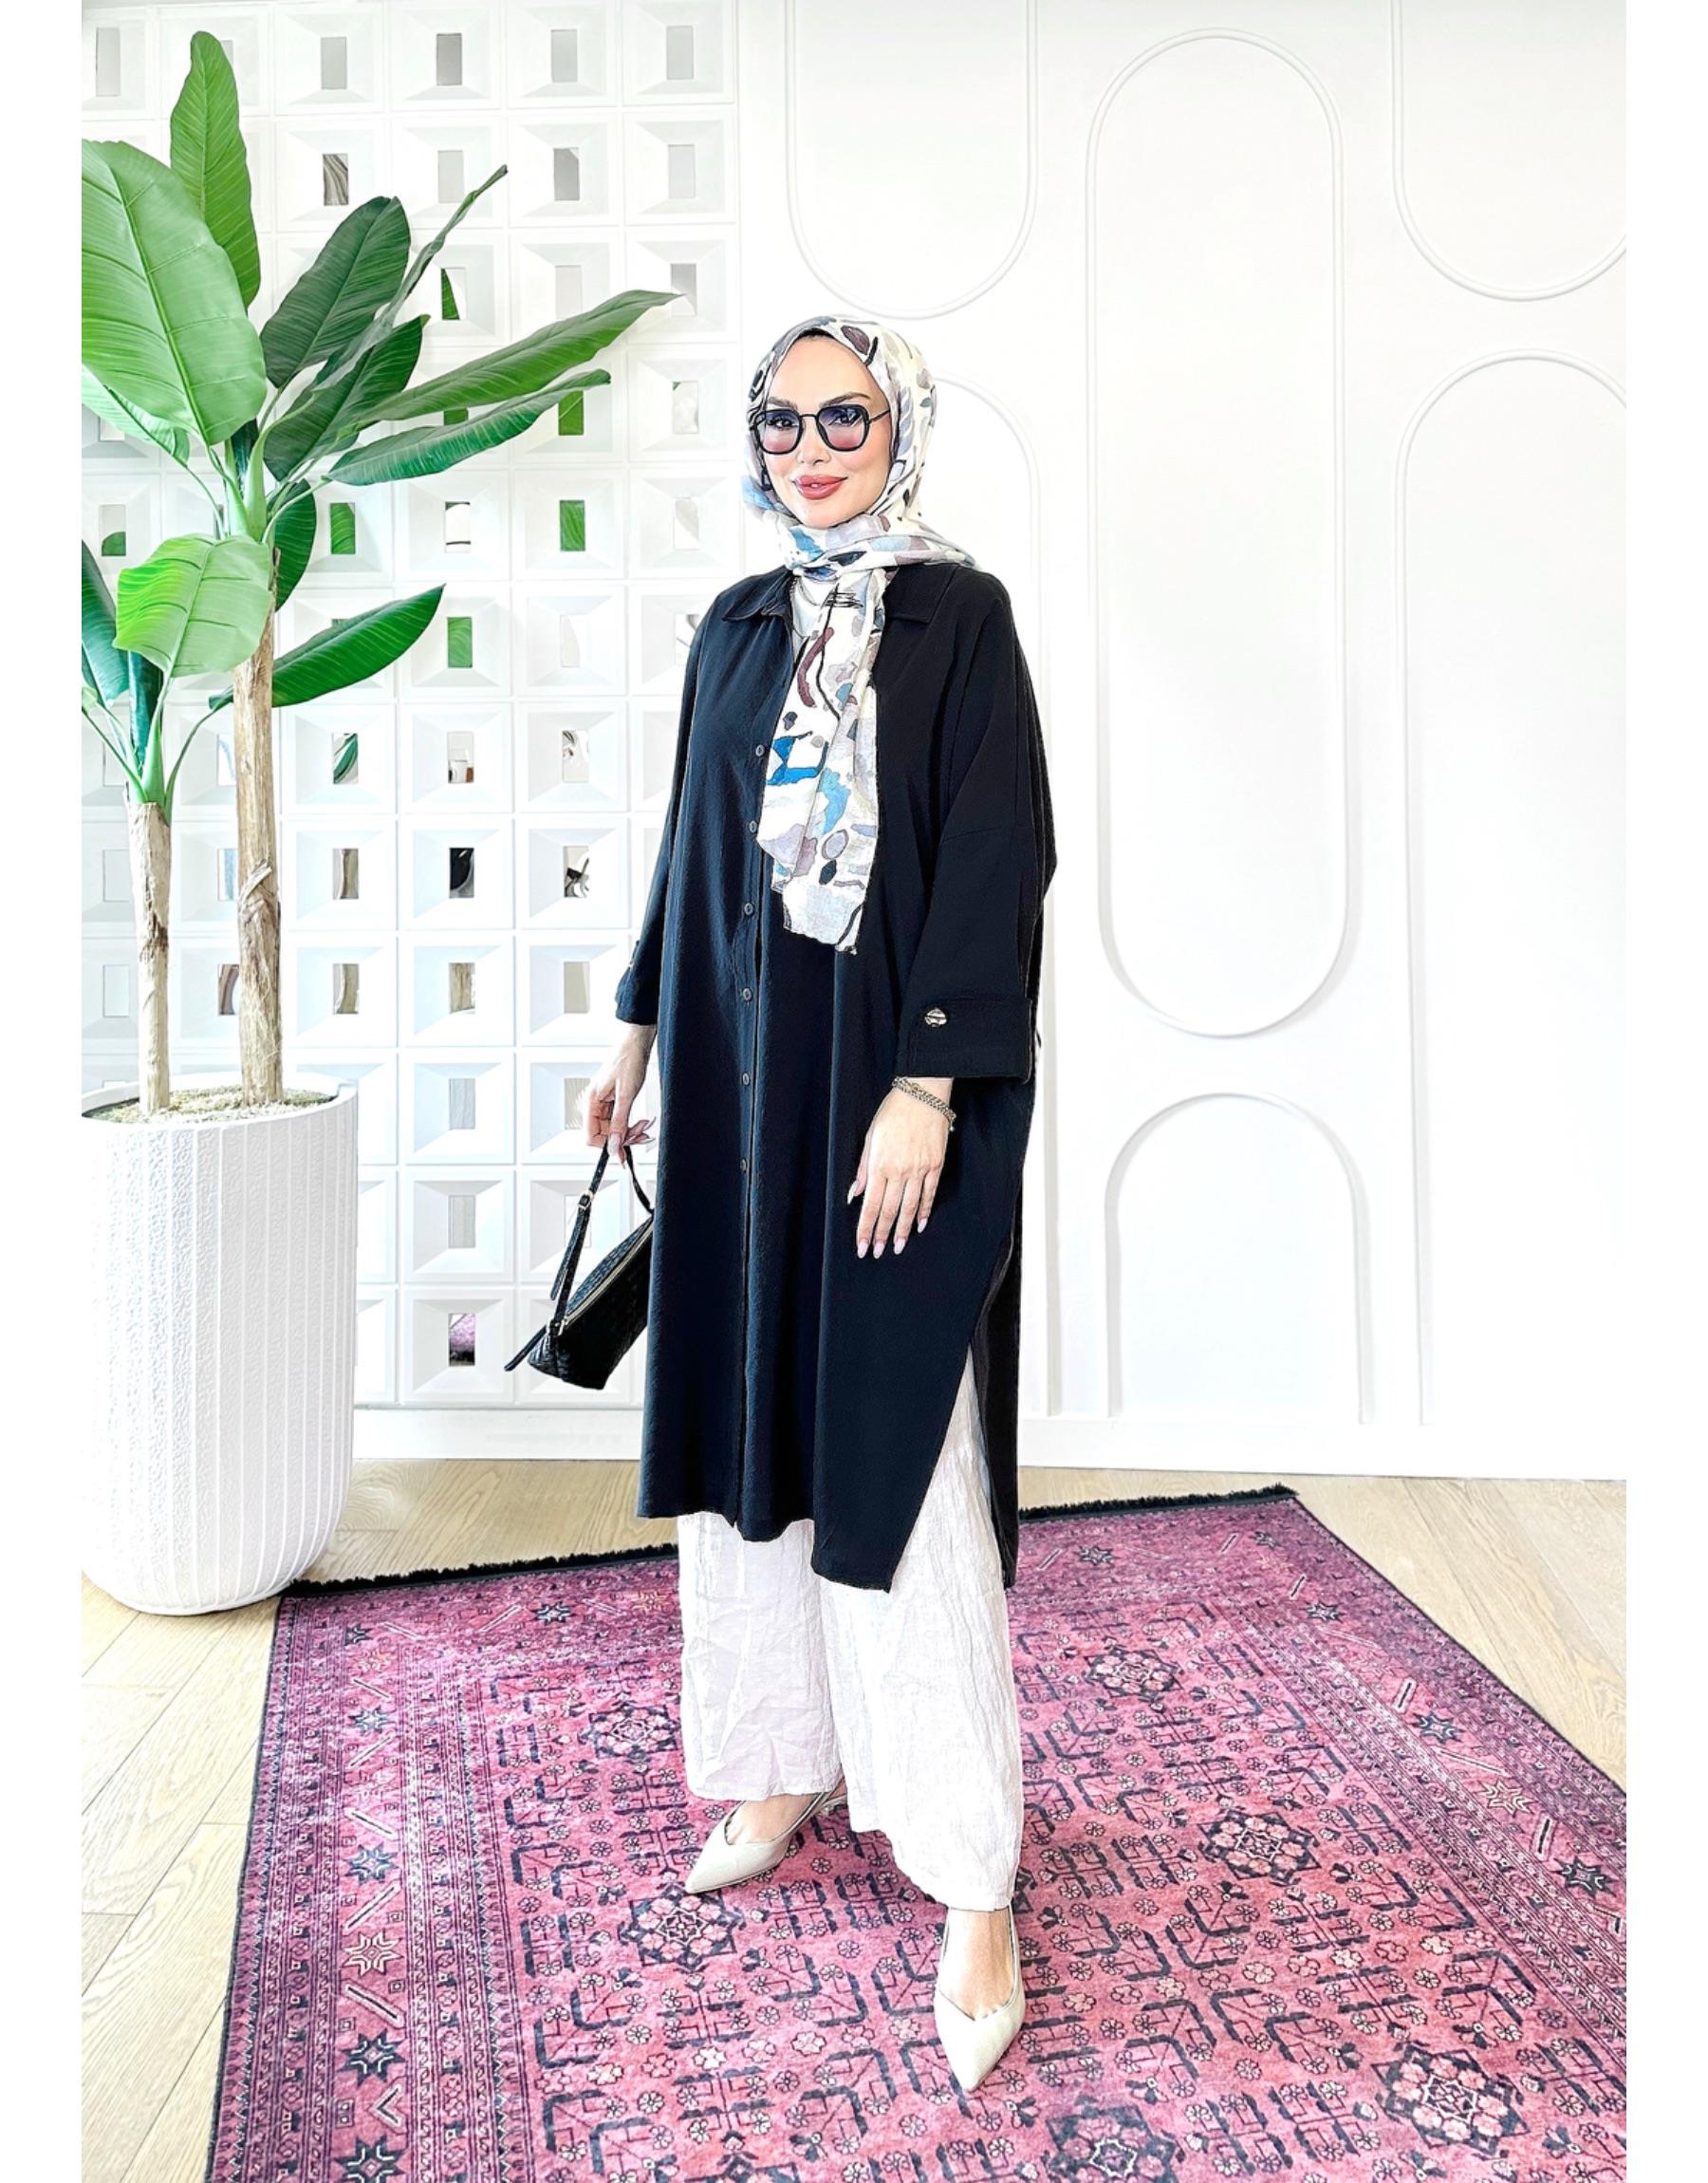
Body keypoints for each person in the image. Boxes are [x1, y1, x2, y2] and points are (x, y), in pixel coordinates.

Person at [586, 312, 1055, 2091]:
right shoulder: (738, 622)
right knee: (747, 1437)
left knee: (893, 1456)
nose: (809, 447)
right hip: (737, 1091)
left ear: (900, 425)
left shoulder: (961, 619)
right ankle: (784, 1760)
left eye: (843, 416)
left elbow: (999, 859)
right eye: (779, 422)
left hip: (886, 1092)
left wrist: (929, 1089)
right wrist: (637, 1029)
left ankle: (971, 1876)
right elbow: (689, 842)